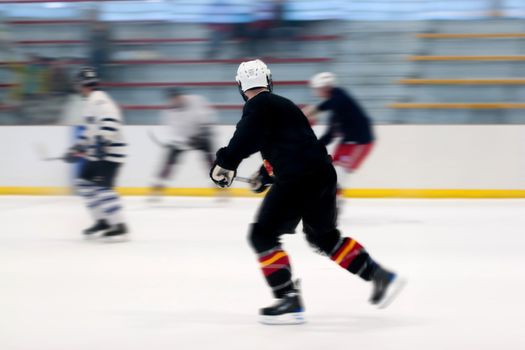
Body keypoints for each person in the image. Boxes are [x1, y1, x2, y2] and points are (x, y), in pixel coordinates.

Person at [210, 59, 404, 325]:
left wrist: (224, 163)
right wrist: (265, 176)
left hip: (296, 180)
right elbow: (291, 146)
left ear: (240, 86)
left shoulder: (256, 107)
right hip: (322, 175)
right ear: (268, 80)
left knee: (262, 234)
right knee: (324, 238)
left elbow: (244, 138)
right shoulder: (286, 106)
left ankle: (287, 296)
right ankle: (378, 275)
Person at [65, 66, 128, 240]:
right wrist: (77, 146)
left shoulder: (99, 100)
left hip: (110, 154)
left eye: (78, 85)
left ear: (83, 85)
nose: (78, 89)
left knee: (103, 189)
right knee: (84, 183)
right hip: (99, 154)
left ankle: (120, 225)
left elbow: (112, 121)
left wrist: (104, 141)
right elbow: (91, 131)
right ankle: (102, 221)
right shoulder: (92, 101)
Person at [303, 72, 375, 201]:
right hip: (346, 142)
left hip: (361, 142)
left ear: (325, 87)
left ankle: (336, 203)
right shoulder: (336, 108)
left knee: (340, 173)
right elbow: (330, 135)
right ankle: (332, 199)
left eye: (317, 89)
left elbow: (331, 104)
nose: (316, 92)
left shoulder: (340, 96)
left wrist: (309, 112)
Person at [149, 88, 216, 199]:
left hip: (201, 136)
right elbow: (173, 133)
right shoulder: (169, 113)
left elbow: (206, 119)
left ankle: (221, 187)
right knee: (168, 163)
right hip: (182, 140)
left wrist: (200, 135)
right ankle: (157, 188)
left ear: (181, 96)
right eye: (172, 99)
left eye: (177, 97)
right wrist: (181, 142)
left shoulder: (196, 100)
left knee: (211, 163)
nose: (175, 101)